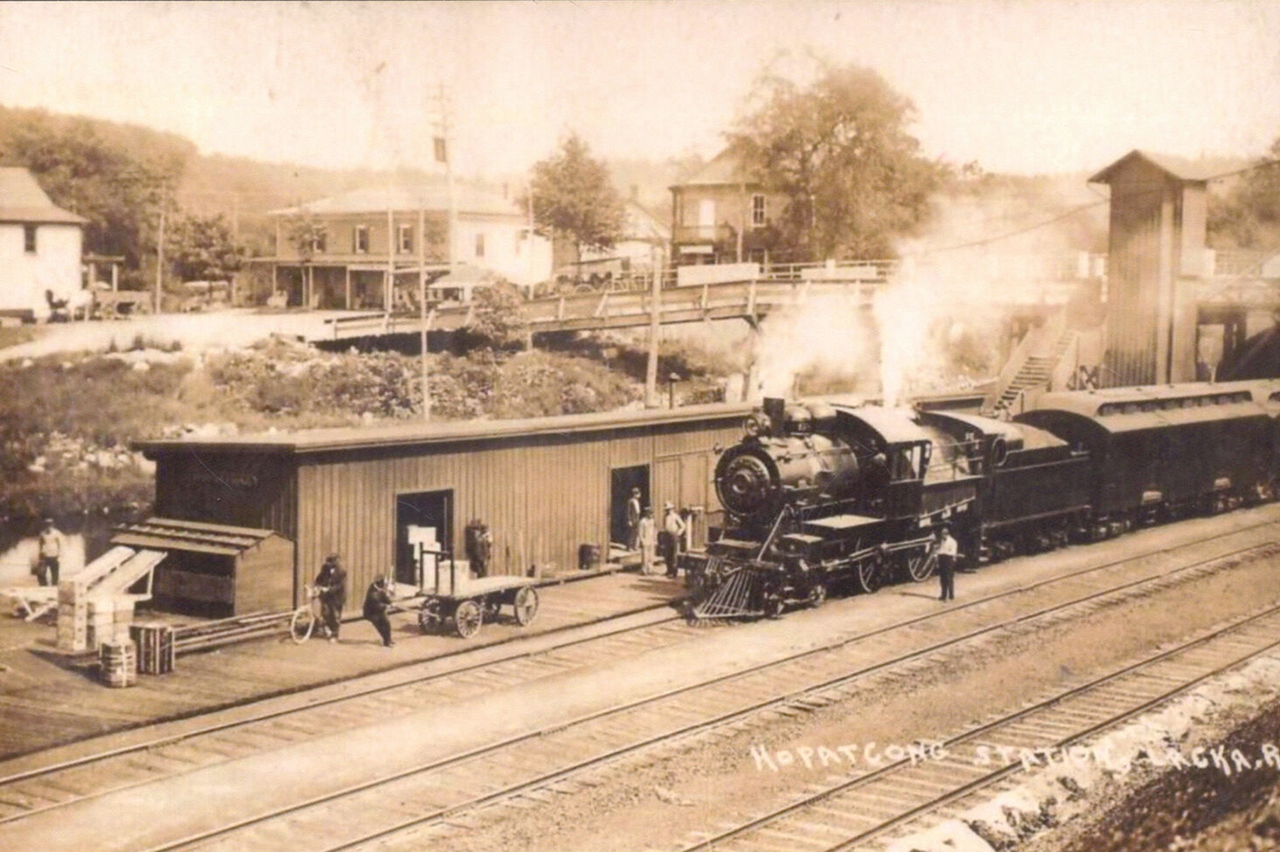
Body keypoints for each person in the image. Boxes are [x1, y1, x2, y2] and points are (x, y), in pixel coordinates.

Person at [314, 553, 347, 642]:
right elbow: (319, 578)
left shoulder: (341, 572)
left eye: (331, 562)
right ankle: (327, 630)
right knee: (326, 613)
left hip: (337, 597)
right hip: (327, 596)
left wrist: (328, 589)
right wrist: (317, 585)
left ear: (336, 562)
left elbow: (340, 586)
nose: (329, 564)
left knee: (336, 616)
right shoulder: (325, 568)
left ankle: (335, 635)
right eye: (328, 562)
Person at [363, 575, 396, 647]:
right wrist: (387, 606)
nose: (385, 585)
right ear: (380, 583)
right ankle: (386, 642)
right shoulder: (372, 593)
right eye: (384, 583)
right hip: (372, 613)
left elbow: (384, 597)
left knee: (387, 623)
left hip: (380, 610)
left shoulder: (379, 589)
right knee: (381, 627)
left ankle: (388, 639)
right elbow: (376, 605)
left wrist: (390, 602)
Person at [35, 518, 64, 587]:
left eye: (49, 524)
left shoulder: (56, 533)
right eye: (46, 525)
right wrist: (40, 553)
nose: (48, 526)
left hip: (54, 554)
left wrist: (60, 553)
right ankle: (43, 585)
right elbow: (40, 543)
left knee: (54, 571)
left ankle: (54, 585)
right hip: (45, 554)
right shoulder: (42, 533)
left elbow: (60, 544)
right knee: (41, 571)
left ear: (52, 525)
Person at [661, 502, 687, 579]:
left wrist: (678, 533)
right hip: (667, 535)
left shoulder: (676, 516)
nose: (668, 511)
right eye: (666, 510)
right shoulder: (665, 517)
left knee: (674, 554)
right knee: (667, 554)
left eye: (669, 509)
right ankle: (668, 570)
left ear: (672, 509)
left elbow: (683, 526)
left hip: (674, 535)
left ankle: (674, 572)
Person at [937, 526, 960, 602]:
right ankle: (943, 595)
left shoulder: (952, 541)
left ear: (947, 534)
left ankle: (951, 595)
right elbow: (939, 550)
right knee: (942, 578)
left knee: (949, 578)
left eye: (944, 534)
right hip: (942, 559)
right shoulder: (941, 541)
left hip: (948, 559)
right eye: (942, 534)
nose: (942, 536)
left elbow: (953, 552)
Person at [637, 507, 657, 575]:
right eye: (650, 513)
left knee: (651, 556)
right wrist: (641, 539)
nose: (651, 515)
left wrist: (655, 539)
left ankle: (650, 570)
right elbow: (640, 531)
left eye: (652, 513)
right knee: (645, 556)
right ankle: (644, 570)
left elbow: (655, 530)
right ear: (647, 513)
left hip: (651, 539)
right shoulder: (643, 521)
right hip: (645, 539)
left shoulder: (652, 521)